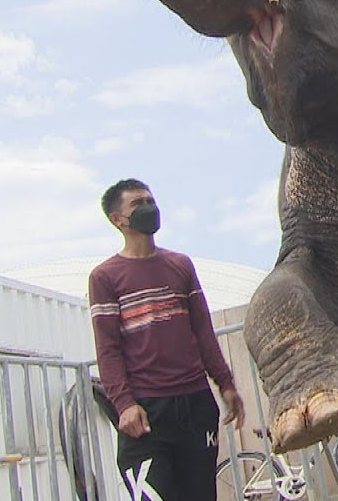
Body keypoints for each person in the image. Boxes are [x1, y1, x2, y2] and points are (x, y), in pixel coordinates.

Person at [89, 178, 245, 501]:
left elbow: (203, 331)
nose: (149, 208)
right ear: (117, 219)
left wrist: (226, 384)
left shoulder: (180, 265)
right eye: (138, 204)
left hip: (196, 405)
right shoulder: (105, 277)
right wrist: (125, 405)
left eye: (151, 200)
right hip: (146, 415)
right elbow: (108, 350)